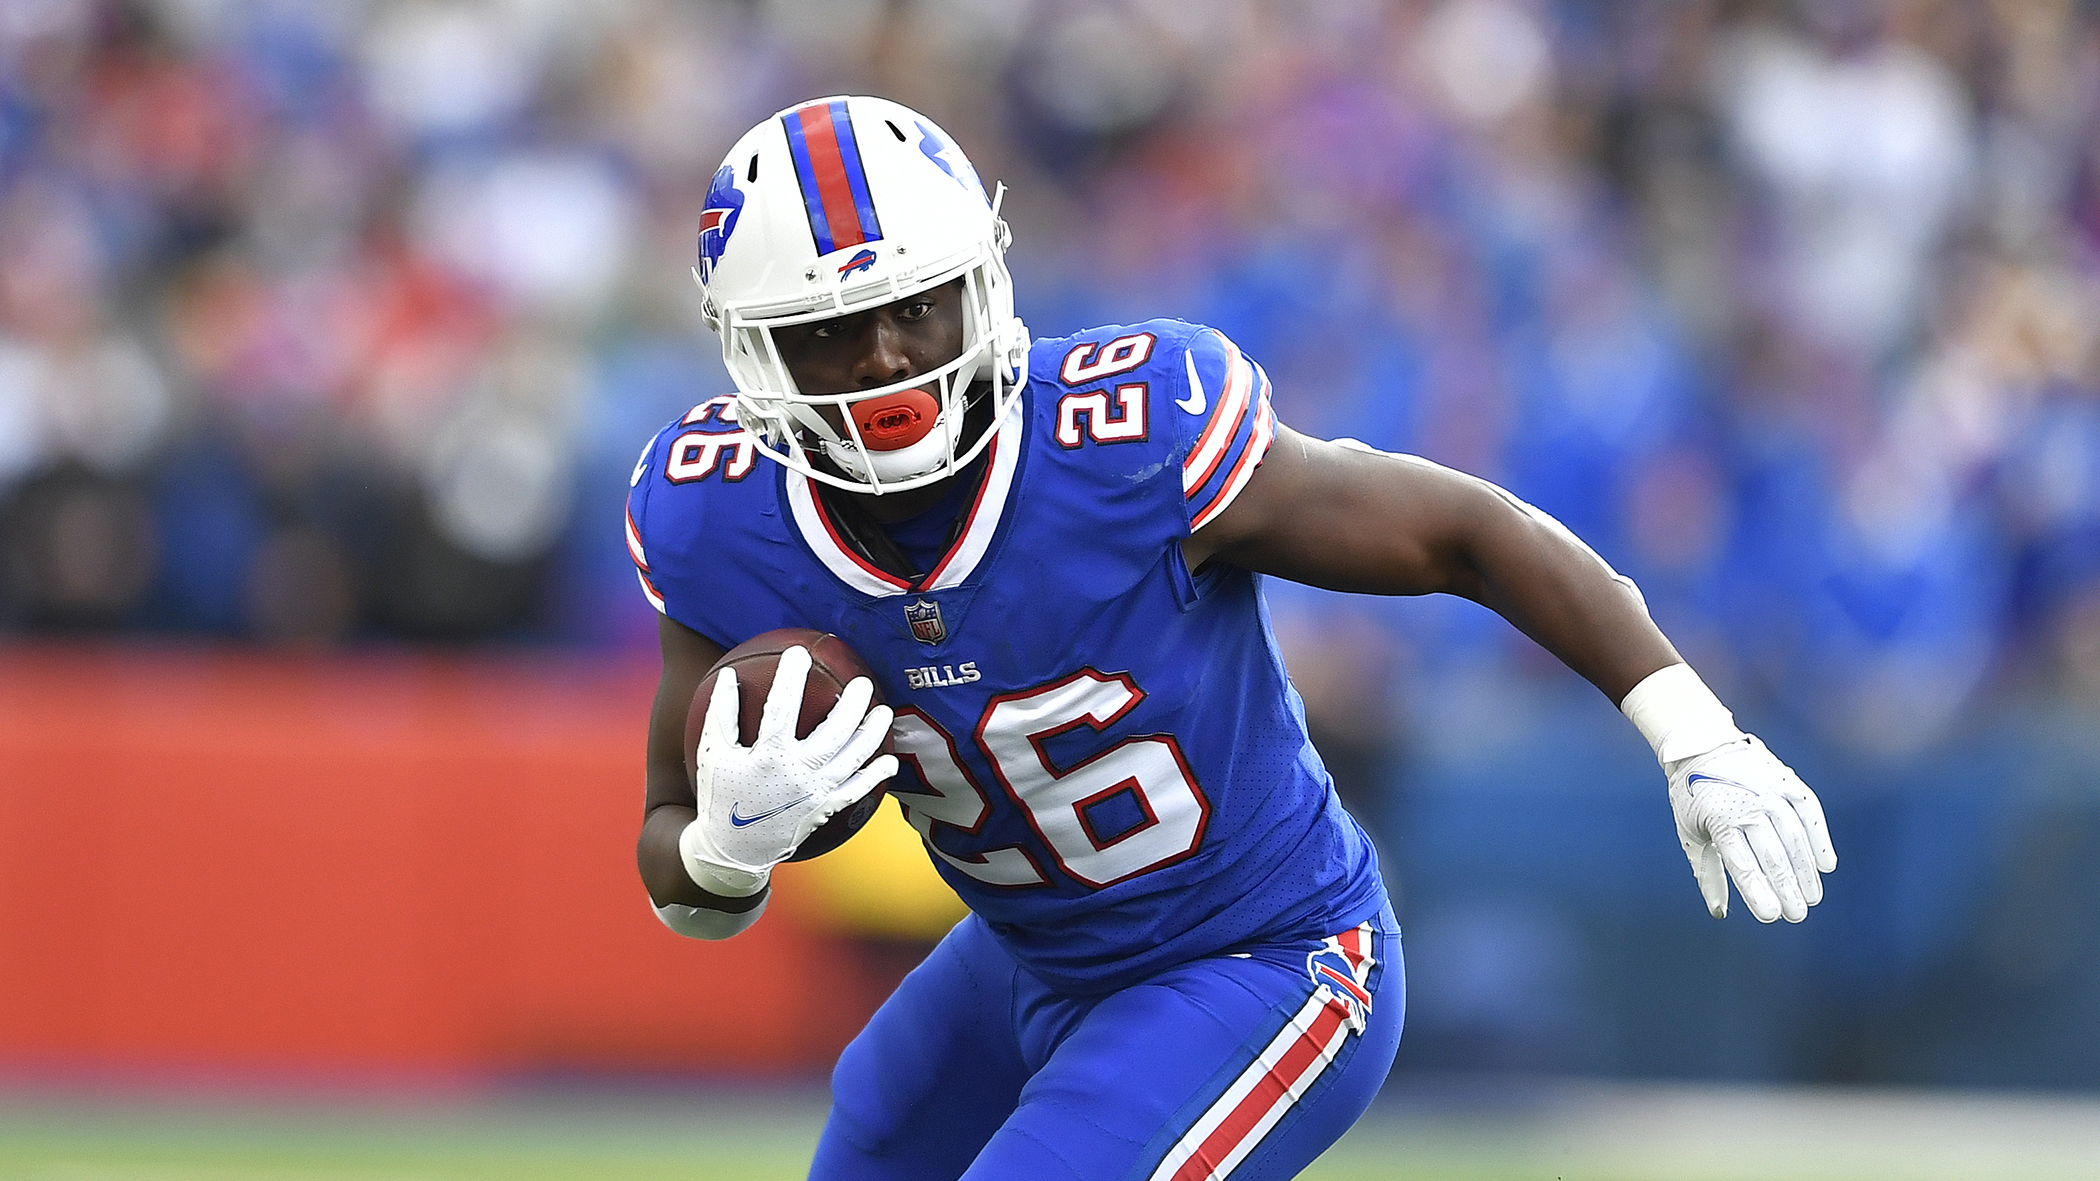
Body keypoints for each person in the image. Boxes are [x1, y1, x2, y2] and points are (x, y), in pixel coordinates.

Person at [628, 95, 1836, 1181]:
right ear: (754, 350)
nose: (885, 358)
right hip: (1024, 954)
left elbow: (1463, 530)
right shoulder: (715, 513)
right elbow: (673, 857)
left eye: (912, 306)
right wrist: (731, 851)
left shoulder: (1126, 437)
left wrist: (1692, 727)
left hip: (1261, 955)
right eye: (830, 329)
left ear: (982, 283)